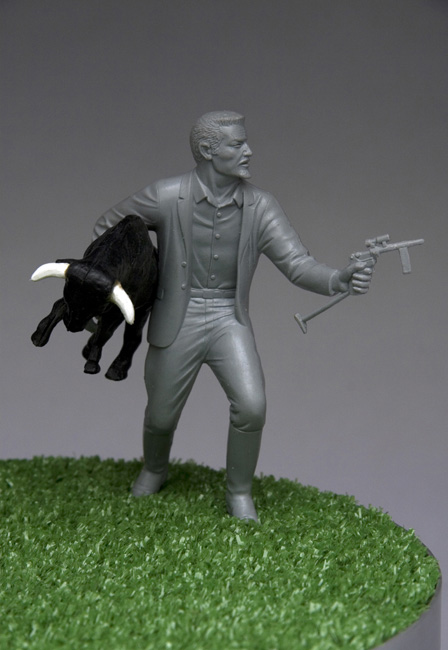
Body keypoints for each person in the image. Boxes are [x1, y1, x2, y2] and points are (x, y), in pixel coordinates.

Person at [93, 111, 372, 521]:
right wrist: (135, 276)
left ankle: (239, 492)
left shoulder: (261, 206)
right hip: (177, 318)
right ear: (208, 150)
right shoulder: (167, 195)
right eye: (237, 144)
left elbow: (297, 263)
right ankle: (154, 469)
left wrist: (338, 279)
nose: (249, 151)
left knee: (252, 406)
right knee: (161, 415)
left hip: (228, 319)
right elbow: (108, 228)